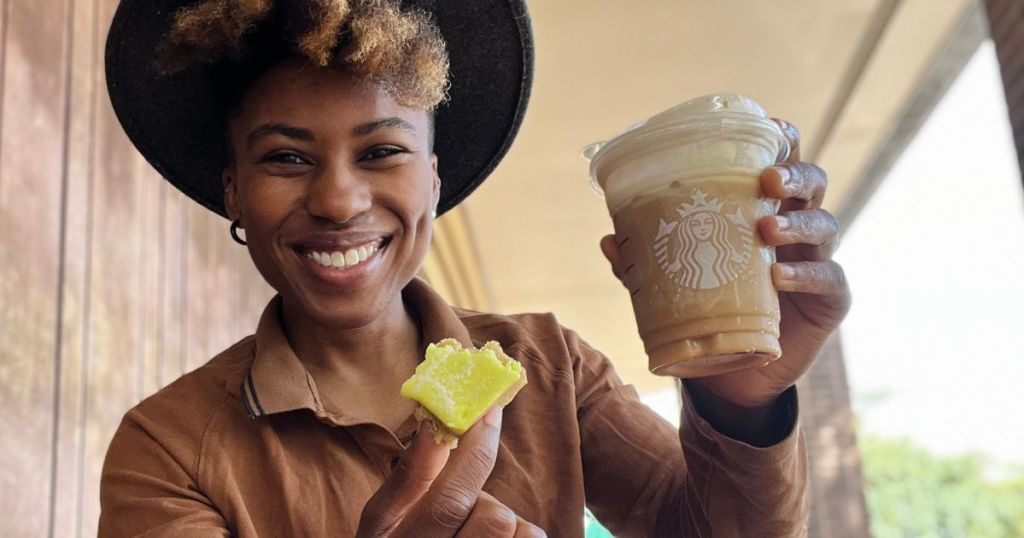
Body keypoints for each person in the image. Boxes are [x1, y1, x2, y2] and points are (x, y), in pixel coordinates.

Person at [100, 0, 851, 536]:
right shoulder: (169, 449)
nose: (337, 199)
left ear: (432, 177)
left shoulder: (550, 367)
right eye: (286, 158)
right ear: (234, 191)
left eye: (382, 151)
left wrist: (741, 406)